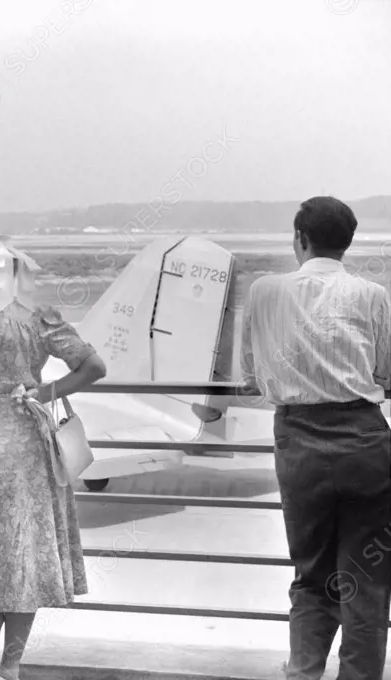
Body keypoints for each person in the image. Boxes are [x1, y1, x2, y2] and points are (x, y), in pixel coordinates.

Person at [0, 231, 107, 680]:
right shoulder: (35, 317)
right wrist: (43, 390)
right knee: (24, 553)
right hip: (27, 441)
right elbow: (93, 366)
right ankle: (12, 664)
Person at [240, 196, 391, 680]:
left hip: (299, 443)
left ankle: (303, 673)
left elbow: (251, 375)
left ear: (299, 238)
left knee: (310, 575)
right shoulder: (372, 294)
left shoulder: (265, 291)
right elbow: (385, 372)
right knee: (366, 582)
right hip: (366, 441)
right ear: (348, 243)